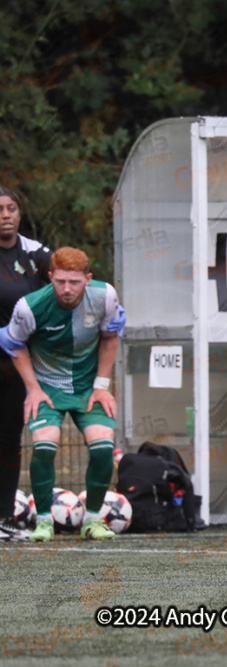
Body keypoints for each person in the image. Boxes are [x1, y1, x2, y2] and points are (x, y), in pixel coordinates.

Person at [0, 189, 123, 542]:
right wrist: (35, 387)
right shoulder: (31, 306)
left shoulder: (102, 294)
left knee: (15, 440)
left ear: (87, 278)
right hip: (43, 381)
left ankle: (91, 519)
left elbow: (111, 336)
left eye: (12, 208)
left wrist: (101, 384)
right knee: (39, 444)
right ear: (50, 276)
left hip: (74, 383)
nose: (67, 288)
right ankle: (43, 521)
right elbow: (16, 340)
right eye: (60, 281)